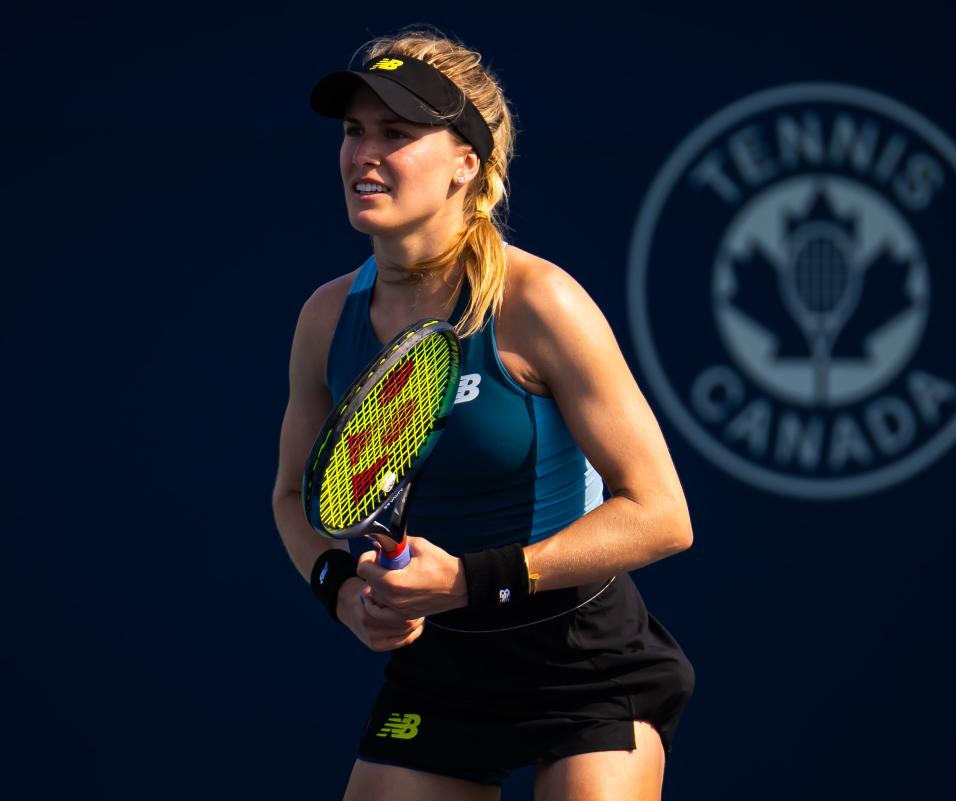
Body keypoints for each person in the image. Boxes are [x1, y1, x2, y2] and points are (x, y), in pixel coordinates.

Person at [272, 27, 695, 801]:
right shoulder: (325, 317)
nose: (364, 153)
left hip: (584, 660)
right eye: (353, 131)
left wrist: (472, 577)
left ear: (468, 162)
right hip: (444, 669)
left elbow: (663, 514)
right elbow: (292, 497)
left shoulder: (539, 303)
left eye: (395, 133)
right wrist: (340, 587)